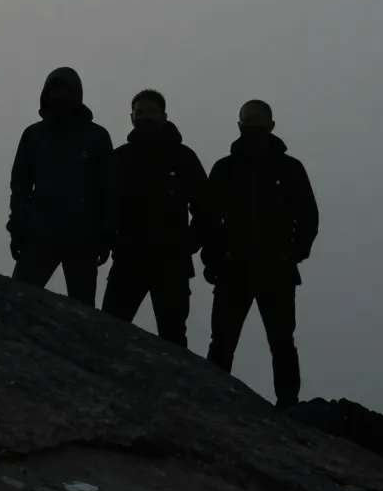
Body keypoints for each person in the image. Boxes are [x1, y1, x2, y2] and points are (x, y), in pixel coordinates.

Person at [201, 99, 320, 407]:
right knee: (223, 342)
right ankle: (211, 400)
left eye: (258, 121)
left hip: (276, 271)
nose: (252, 127)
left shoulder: (289, 169)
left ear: (271, 125)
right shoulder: (225, 169)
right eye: (248, 121)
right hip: (232, 269)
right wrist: (212, 259)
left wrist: (293, 253)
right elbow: (208, 218)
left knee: (281, 342)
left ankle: (288, 404)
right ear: (239, 125)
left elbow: (307, 215)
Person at [100, 89, 206, 346]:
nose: (145, 118)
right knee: (107, 331)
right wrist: (110, 239)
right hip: (128, 257)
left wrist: (191, 241)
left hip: (171, 262)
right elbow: (102, 203)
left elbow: (205, 205)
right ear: (131, 117)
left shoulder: (183, 157)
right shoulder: (120, 158)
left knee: (173, 338)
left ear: (164, 115)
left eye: (151, 112)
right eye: (140, 113)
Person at [7, 67, 117, 305]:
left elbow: (108, 189)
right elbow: (20, 186)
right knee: (17, 301)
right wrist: (17, 228)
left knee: (83, 309)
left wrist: (105, 235)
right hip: (39, 232)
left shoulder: (97, 137)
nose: (58, 96)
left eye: (64, 90)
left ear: (77, 94)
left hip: (83, 236)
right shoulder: (33, 135)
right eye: (53, 90)